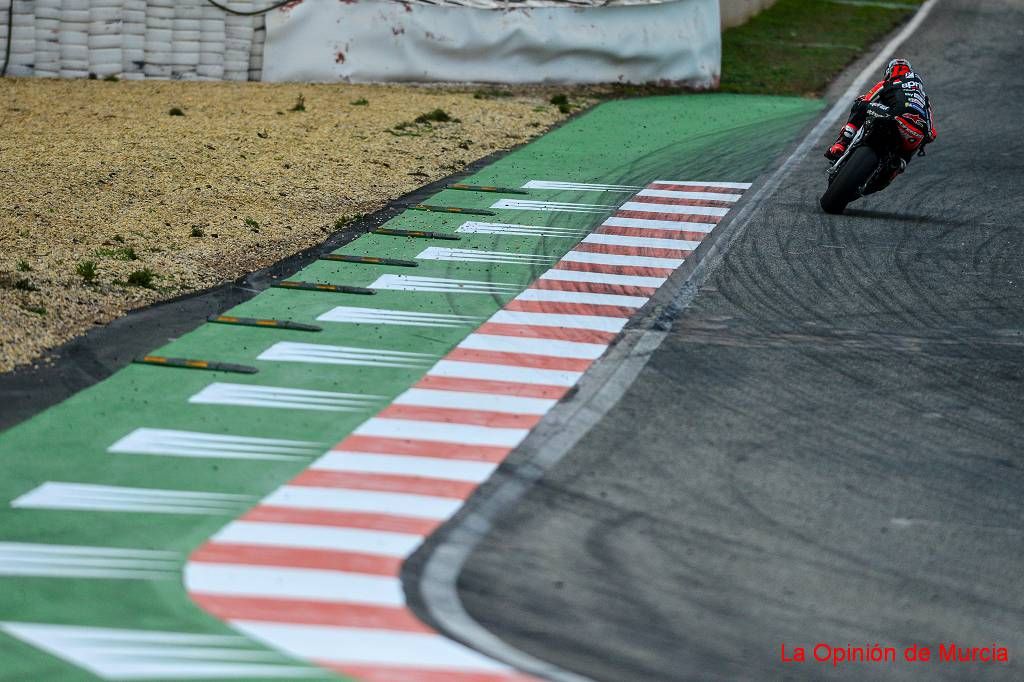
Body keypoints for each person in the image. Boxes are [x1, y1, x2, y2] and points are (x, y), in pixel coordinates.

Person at [825, 58, 937, 167]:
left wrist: (861, 101)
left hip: (895, 116)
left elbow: (866, 99)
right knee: (906, 154)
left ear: (889, 73)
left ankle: (842, 142)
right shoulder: (923, 96)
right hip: (916, 132)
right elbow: (932, 133)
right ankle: (900, 163)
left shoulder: (889, 83)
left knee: (861, 106)